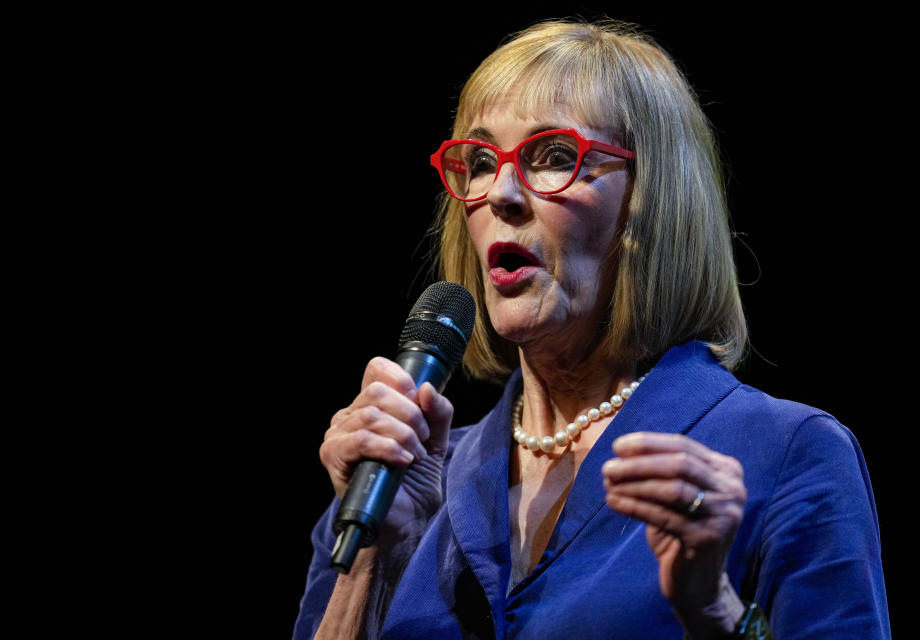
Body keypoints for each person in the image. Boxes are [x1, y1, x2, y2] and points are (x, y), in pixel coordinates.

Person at [294, 18, 889, 639]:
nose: (501, 193)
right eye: (478, 161)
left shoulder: (784, 451)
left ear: (649, 203)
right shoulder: (394, 479)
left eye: (552, 157)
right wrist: (371, 566)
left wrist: (717, 614)